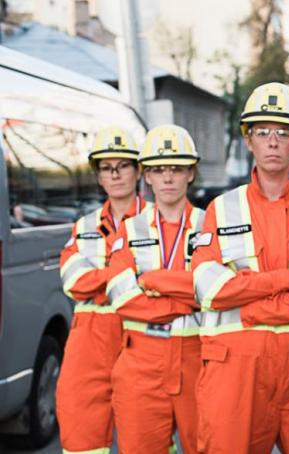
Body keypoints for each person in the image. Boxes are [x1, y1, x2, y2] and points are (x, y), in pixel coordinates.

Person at [191, 82, 289, 453]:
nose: (273, 141)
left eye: (284, 132)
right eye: (263, 132)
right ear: (248, 140)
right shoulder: (220, 210)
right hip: (235, 369)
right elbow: (208, 289)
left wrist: (248, 302)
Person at [104, 125, 204, 453]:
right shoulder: (128, 229)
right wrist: (186, 301)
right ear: (146, 176)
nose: (168, 178)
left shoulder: (211, 225)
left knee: (206, 446)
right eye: (159, 170)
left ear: (191, 173)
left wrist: (153, 283)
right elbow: (121, 295)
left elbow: (219, 292)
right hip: (140, 360)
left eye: (177, 169)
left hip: (200, 356)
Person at [57, 126, 149, 454]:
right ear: (98, 176)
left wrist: (101, 278)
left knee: (145, 436)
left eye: (123, 165)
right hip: (90, 338)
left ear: (138, 171)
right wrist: (129, 275)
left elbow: (168, 280)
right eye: (107, 168)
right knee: (81, 430)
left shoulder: (157, 222)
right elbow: (73, 282)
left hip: (141, 333)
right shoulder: (83, 227)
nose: (116, 174)